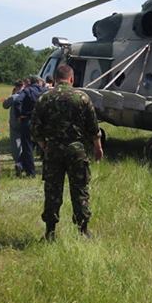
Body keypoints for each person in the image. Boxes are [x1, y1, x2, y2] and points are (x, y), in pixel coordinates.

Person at [31, 64, 103, 240]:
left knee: (52, 191)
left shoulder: (44, 98)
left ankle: (50, 232)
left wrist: (44, 146)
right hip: (76, 151)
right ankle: (83, 231)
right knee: (80, 190)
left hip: (53, 151)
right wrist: (98, 146)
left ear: (55, 79)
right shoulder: (82, 98)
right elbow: (93, 127)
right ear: (72, 79)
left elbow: (35, 128)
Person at [16, 76, 45, 177]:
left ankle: (31, 172)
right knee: (44, 146)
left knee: (28, 146)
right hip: (41, 122)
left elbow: (17, 101)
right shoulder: (44, 91)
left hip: (28, 120)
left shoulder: (27, 90)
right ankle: (46, 170)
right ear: (38, 82)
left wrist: (19, 114)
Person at [2, 79, 25, 176]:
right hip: (26, 121)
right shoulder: (27, 95)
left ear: (16, 87)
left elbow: (5, 105)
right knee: (26, 144)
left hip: (15, 123)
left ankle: (18, 163)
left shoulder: (14, 97)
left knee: (16, 144)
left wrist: (11, 95)